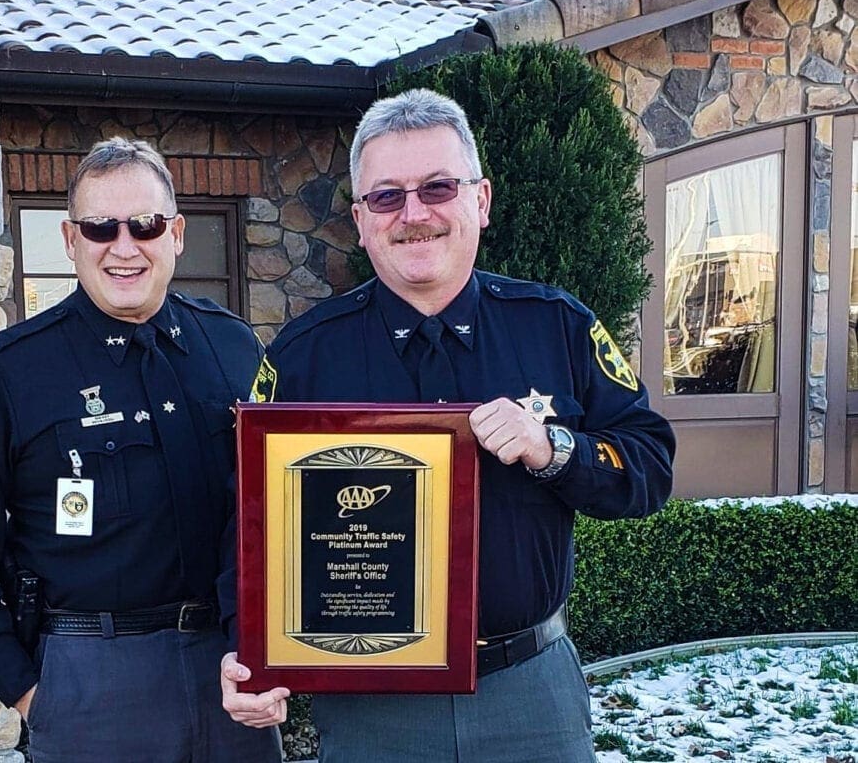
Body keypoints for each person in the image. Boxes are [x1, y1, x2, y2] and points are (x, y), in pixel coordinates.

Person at [220, 89, 675, 762]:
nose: (414, 214)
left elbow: (649, 469)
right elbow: (247, 521)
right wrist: (247, 647)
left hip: (529, 695)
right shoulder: (303, 355)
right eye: (387, 196)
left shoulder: (557, 327)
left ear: (481, 200)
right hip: (373, 705)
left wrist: (552, 447)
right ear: (360, 217)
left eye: (438, 187)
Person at [0, 138, 281, 763]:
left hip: (229, 669)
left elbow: (275, 508)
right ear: (69, 239)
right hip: (91, 679)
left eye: (144, 225)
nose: (123, 247)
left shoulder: (234, 349)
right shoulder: (6, 373)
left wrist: (268, 646)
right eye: (99, 227)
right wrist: (29, 690)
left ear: (176, 233)